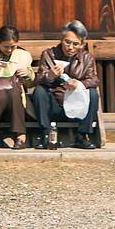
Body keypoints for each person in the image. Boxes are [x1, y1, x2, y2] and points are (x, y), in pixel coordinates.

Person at [33, 20, 99, 149]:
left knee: (93, 93)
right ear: (61, 39)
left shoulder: (87, 58)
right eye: (67, 42)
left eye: (75, 44)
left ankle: (82, 135)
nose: (70, 47)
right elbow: (38, 80)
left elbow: (94, 80)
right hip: (55, 103)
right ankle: (46, 134)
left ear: (82, 45)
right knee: (39, 91)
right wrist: (50, 76)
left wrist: (78, 84)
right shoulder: (49, 54)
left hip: (77, 104)